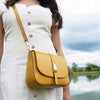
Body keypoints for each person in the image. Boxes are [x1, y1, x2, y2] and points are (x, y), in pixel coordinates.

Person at [0, 0, 71, 100]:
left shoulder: (50, 7)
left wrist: (66, 90)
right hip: (13, 73)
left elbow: (58, 50)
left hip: (48, 74)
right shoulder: (3, 5)